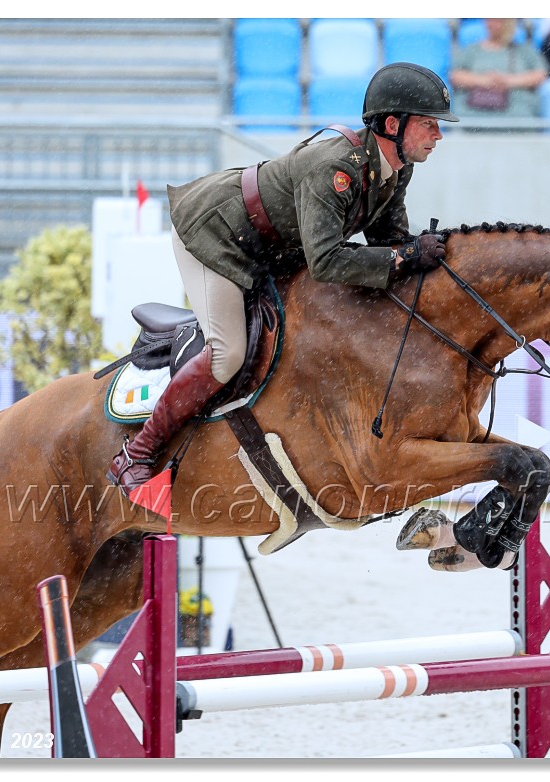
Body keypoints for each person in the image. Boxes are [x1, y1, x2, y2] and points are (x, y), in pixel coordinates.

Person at [107, 62, 458, 496]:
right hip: (218, 234)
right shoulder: (337, 169)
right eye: (429, 125)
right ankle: (137, 453)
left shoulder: (396, 169)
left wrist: (423, 254)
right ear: (392, 124)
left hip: (272, 246)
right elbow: (328, 262)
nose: (438, 135)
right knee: (228, 355)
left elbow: (389, 241)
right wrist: (406, 254)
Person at [449, 18, 548, 122]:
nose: (491, 24)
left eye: (498, 21)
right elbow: (455, 76)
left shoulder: (524, 51)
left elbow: (540, 75)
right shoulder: (471, 51)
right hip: (473, 115)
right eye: (489, 20)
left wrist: (509, 81)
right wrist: (484, 81)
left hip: (517, 116)